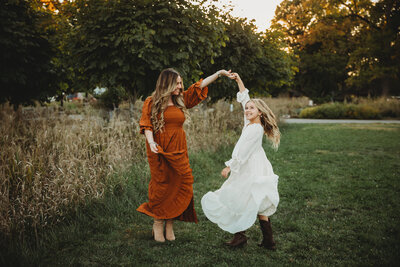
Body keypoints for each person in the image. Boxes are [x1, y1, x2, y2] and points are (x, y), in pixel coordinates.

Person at [138, 68, 232, 242]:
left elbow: (199, 86)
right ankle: (158, 222)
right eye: (178, 83)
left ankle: (170, 224)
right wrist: (151, 143)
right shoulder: (151, 102)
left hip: (179, 150)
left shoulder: (181, 100)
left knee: (180, 183)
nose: (181, 87)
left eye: (181, 83)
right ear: (167, 83)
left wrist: (218, 73)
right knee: (161, 186)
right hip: (159, 150)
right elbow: (147, 125)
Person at [201, 73, 280, 249]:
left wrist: (230, 166)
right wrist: (238, 81)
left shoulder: (255, 129)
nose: (248, 110)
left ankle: (243, 237)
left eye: (252, 109)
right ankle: (267, 241)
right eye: (247, 109)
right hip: (253, 165)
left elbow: (242, 152)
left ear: (260, 112)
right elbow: (245, 99)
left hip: (250, 167)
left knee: (241, 197)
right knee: (255, 199)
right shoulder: (250, 123)